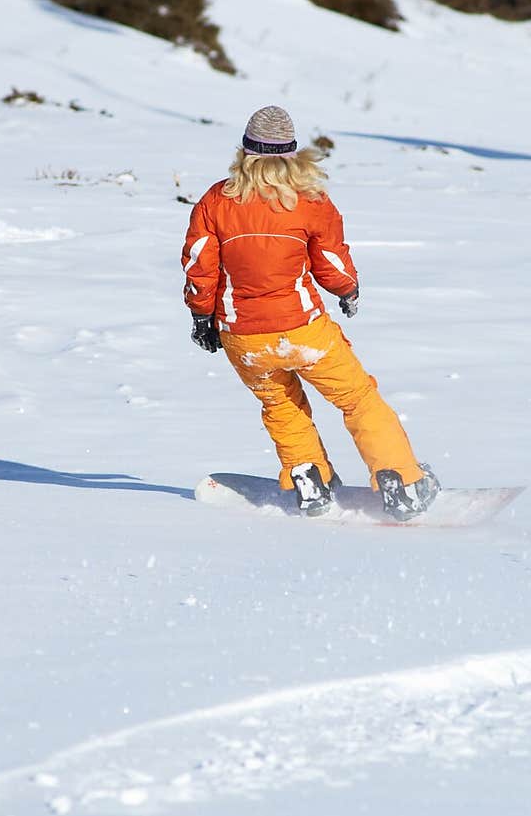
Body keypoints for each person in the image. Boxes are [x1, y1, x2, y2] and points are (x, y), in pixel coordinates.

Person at [181, 105, 440, 521]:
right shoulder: (310, 200)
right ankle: (401, 481)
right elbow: (332, 261)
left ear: (245, 152)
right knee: (357, 399)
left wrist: (201, 317)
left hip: (243, 337)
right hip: (304, 331)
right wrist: (348, 289)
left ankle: (309, 478)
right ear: (291, 154)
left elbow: (199, 265)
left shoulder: (217, 200)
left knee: (280, 404)